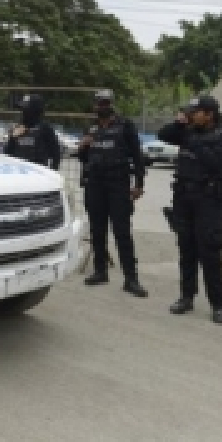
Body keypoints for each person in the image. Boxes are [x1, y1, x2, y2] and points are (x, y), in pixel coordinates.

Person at [158, 95, 222, 324]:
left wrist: (194, 141)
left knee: (210, 253)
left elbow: (217, 163)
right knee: (186, 249)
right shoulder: (187, 131)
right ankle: (186, 296)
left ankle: (218, 304)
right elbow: (163, 135)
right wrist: (179, 123)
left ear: (209, 114)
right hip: (184, 197)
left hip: (209, 200)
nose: (192, 115)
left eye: (196, 112)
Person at [77, 89, 148, 297]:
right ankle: (100, 271)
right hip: (95, 184)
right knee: (97, 231)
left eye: (106, 103)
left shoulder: (125, 126)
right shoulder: (90, 128)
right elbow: (83, 158)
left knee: (122, 232)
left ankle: (131, 279)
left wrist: (139, 184)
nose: (103, 107)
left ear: (112, 104)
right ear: (94, 106)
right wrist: (83, 146)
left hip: (118, 183)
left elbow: (137, 156)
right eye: (100, 103)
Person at [4, 94, 62, 170]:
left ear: (35, 111)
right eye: (22, 109)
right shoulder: (18, 128)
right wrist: (12, 137)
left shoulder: (45, 129)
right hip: (18, 172)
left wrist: (52, 172)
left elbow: (56, 154)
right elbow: (7, 154)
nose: (23, 112)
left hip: (37, 174)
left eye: (26, 109)